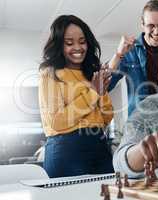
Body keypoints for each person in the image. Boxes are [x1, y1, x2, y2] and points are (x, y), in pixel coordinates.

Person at [39, 15, 114, 178]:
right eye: (69, 43)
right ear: (59, 45)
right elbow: (57, 122)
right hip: (65, 150)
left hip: (100, 146)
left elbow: (107, 117)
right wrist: (93, 92)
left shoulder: (91, 73)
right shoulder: (49, 74)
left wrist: (101, 92)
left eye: (82, 41)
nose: (78, 47)